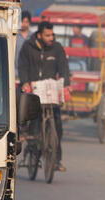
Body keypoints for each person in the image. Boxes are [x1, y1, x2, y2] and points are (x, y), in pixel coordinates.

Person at [18, 21, 71, 172]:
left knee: (57, 126)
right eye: (47, 35)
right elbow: (22, 67)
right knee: (34, 123)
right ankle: (33, 151)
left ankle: (56, 160)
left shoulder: (57, 48)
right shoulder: (28, 47)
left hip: (50, 93)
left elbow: (64, 68)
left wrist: (66, 85)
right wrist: (25, 82)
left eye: (52, 34)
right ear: (40, 35)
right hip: (34, 91)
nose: (51, 37)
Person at [15, 11, 33, 78]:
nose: (24, 24)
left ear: (29, 23)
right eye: (22, 22)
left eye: (26, 22)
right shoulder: (15, 35)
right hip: (15, 71)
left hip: (29, 73)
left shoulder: (33, 37)